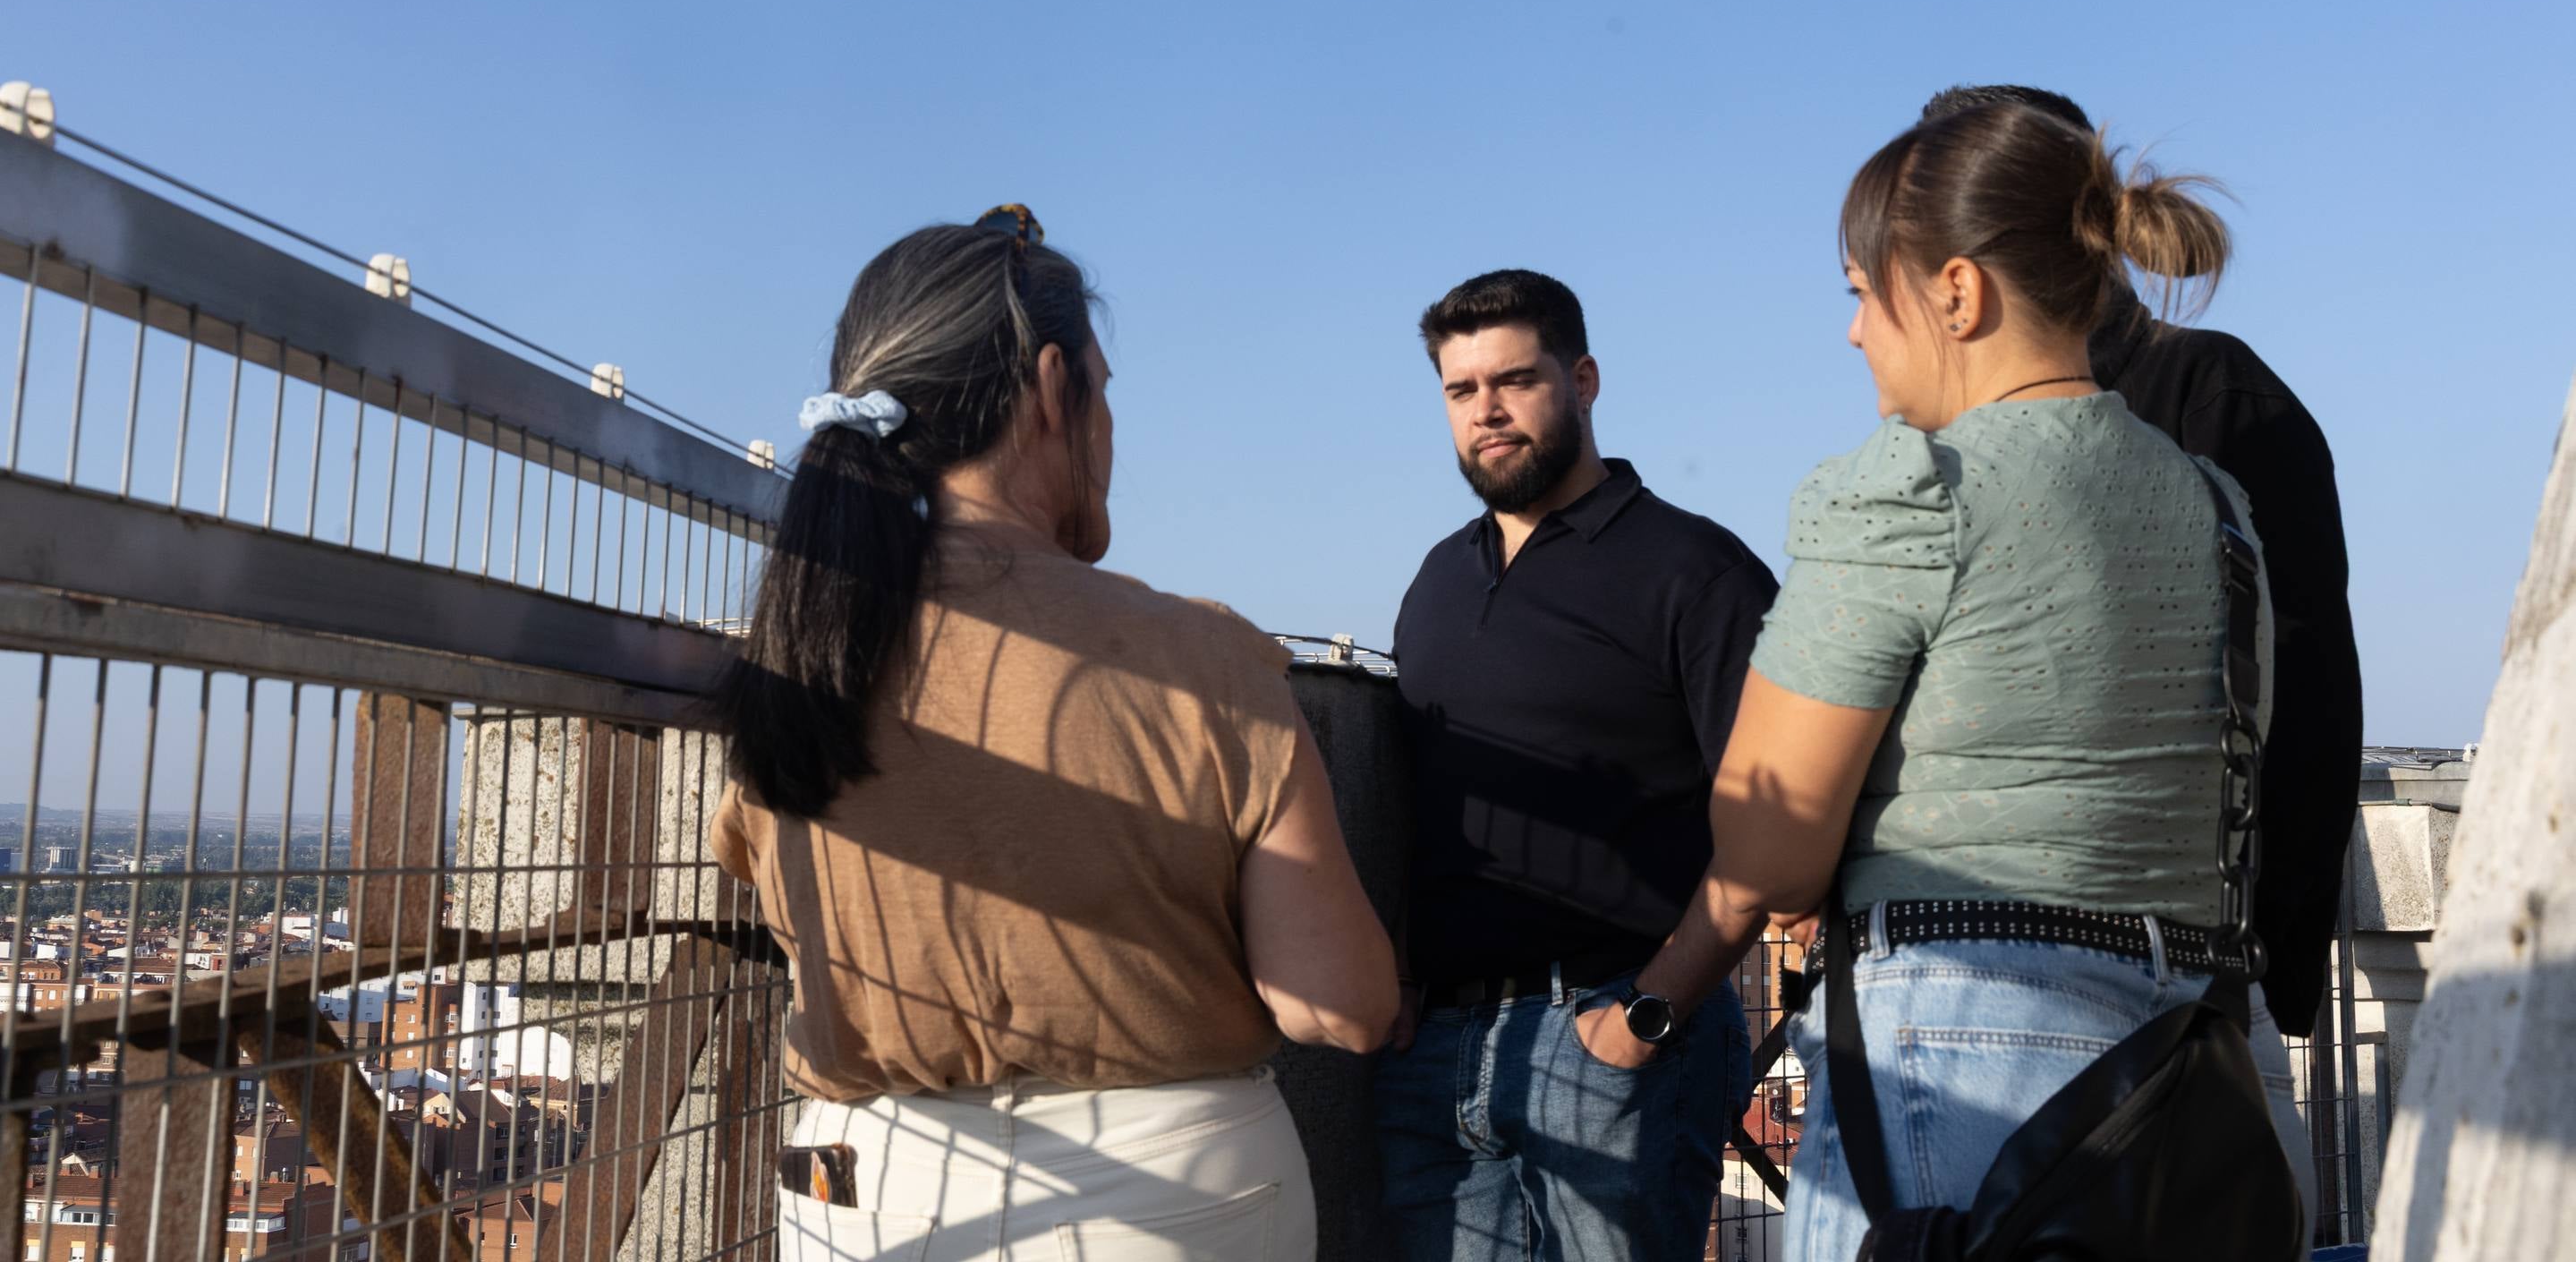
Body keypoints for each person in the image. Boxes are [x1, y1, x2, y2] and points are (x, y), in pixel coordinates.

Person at [710, 207, 1397, 1262]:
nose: (1110, 430)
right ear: (1048, 388)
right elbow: (1340, 1008)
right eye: (1104, 392)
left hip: (858, 1198)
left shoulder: (798, 662)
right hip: (1176, 1201)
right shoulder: (1206, 660)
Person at [1700, 104, 2319, 1258]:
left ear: (1953, 292)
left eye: (1857, 291)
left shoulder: (1910, 488)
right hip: (2191, 1056)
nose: (1850, 334)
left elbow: (1763, 847)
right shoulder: (2215, 511)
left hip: (1959, 1038)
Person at [1919, 83, 2364, 1045]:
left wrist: (2268, 962)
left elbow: (2300, 687)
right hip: (1979, 963)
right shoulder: (1951, 434)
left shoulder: (2211, 389)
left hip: (2176, 977)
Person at [1376, 269, 1774, 1262]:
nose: (1487, 411)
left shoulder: (1695, 570)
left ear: (1584, 379)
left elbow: (1769, 824)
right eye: (1460, 391)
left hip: (1615, 1025)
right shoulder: (1433, 578)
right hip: (1440, 1056)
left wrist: (1647, 1014)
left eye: (1513, 380)